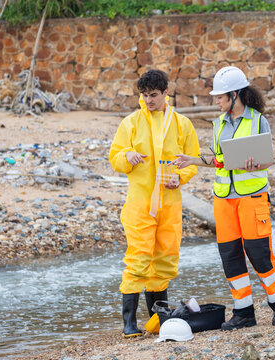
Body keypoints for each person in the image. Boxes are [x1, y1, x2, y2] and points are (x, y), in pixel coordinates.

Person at [171, 66, 275, 330]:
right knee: (231, 257)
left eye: (221, 96)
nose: (218, 101)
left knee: (259, 256)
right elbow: (219, 160)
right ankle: (244, 313)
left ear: (234, 95)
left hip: (252, 198)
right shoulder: (218, 125)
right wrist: (192, 160)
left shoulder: (258, 121)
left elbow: (267, 158)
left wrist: (254, 164)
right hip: (224, 200)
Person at [109, 69, 200, 337]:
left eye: (153, 95)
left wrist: (180, 178)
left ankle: (158, 320)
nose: (149, 100)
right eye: (145, 95)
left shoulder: (182, 124)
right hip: (139, 204)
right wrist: (129, 156)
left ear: (165, 94)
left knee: (165, 259)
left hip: (170, 204)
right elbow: (115, 158)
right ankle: (128, 324)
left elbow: (192, 159)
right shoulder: (131, 123)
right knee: (138, 259)